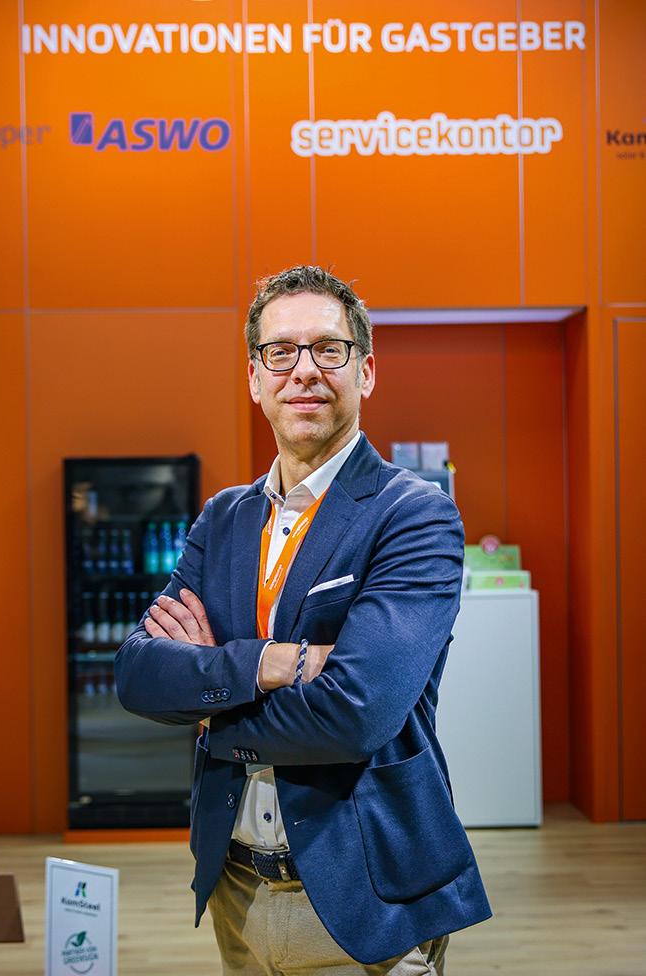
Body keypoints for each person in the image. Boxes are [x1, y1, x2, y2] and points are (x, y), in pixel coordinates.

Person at [115, 266, 491, 974]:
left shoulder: (413, 514)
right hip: (234, 886)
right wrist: (270, 662)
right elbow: (137, 673)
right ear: (255, 378)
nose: (305, 371)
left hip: (366, 895)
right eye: (281, 351)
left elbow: (357, 714)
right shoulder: (223, 518)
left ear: (365, 371)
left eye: (329, 349)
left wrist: (210, 706)